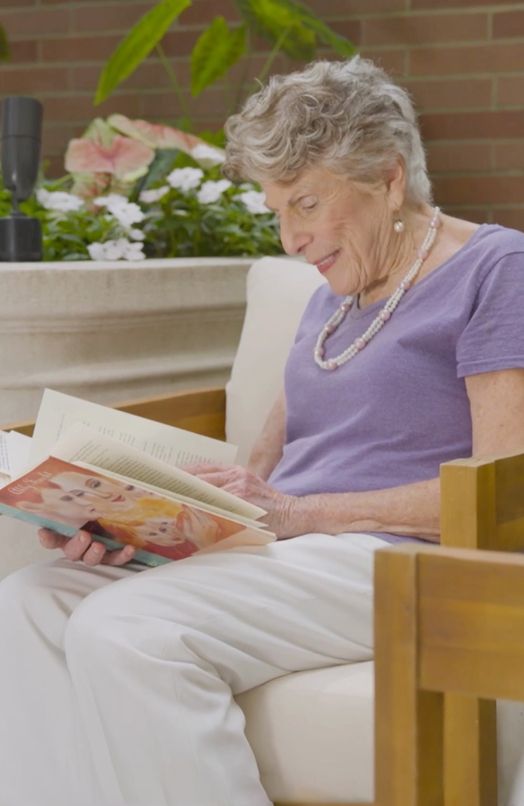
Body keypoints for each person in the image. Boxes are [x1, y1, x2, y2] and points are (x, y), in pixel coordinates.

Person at [0, 55, 523, 806]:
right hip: (290, 549)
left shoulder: (495, 269)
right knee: (28, 601)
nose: (290, 239)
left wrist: (298, 514)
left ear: (388, 177)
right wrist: (136, 527)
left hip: (402, 559)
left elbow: (506, 496)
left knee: (127, 629)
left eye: (305, 203)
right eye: (277, 210)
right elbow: (261, 478)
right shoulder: (332, 298)